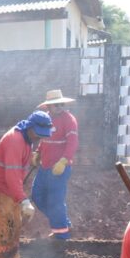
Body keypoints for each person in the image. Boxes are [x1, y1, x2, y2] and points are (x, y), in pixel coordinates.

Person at [0, 110, 53, 258]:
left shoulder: (27, 138)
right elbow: (11, 176)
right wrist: (24, 200)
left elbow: (18, 168)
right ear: (30, 127)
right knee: (6, 228)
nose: (39, 138)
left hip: (9, 191)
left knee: (16, 227)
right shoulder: (15, 141)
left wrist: (31, 159)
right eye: (38, 134)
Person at [31, 89, 79, 240]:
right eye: (55, 105)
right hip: (45, 167)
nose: (59, 106)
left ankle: (62, 234)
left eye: (61, 104)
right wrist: (38, 152)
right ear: (48, 107)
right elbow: (43, 140)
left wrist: (64, 161)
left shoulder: (69, 119)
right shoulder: (47, 119)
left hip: (59, 168)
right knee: (37, 196)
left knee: (55, 200)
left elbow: (72, 143)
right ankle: (63, 222)